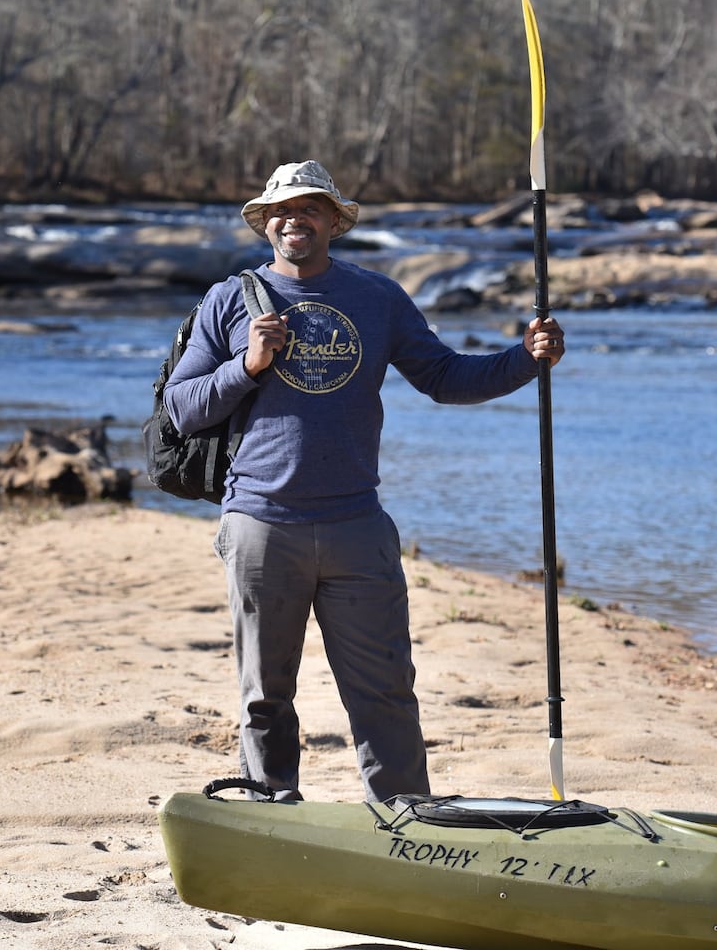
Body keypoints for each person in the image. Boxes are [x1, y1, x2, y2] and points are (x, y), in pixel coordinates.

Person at [163, 160, 565, 802]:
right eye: (283, 211)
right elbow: (182, 410)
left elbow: (445, 378)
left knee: (385, 691)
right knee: (265, 694)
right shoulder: (227, 301)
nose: (295, 219)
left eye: (310, 209)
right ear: (267, 224)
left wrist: (524, 359)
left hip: (358, 526)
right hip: (261, 524)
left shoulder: (377, 297)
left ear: (333, 221)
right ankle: (272, 812)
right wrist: (249, 364)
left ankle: (405, 820)